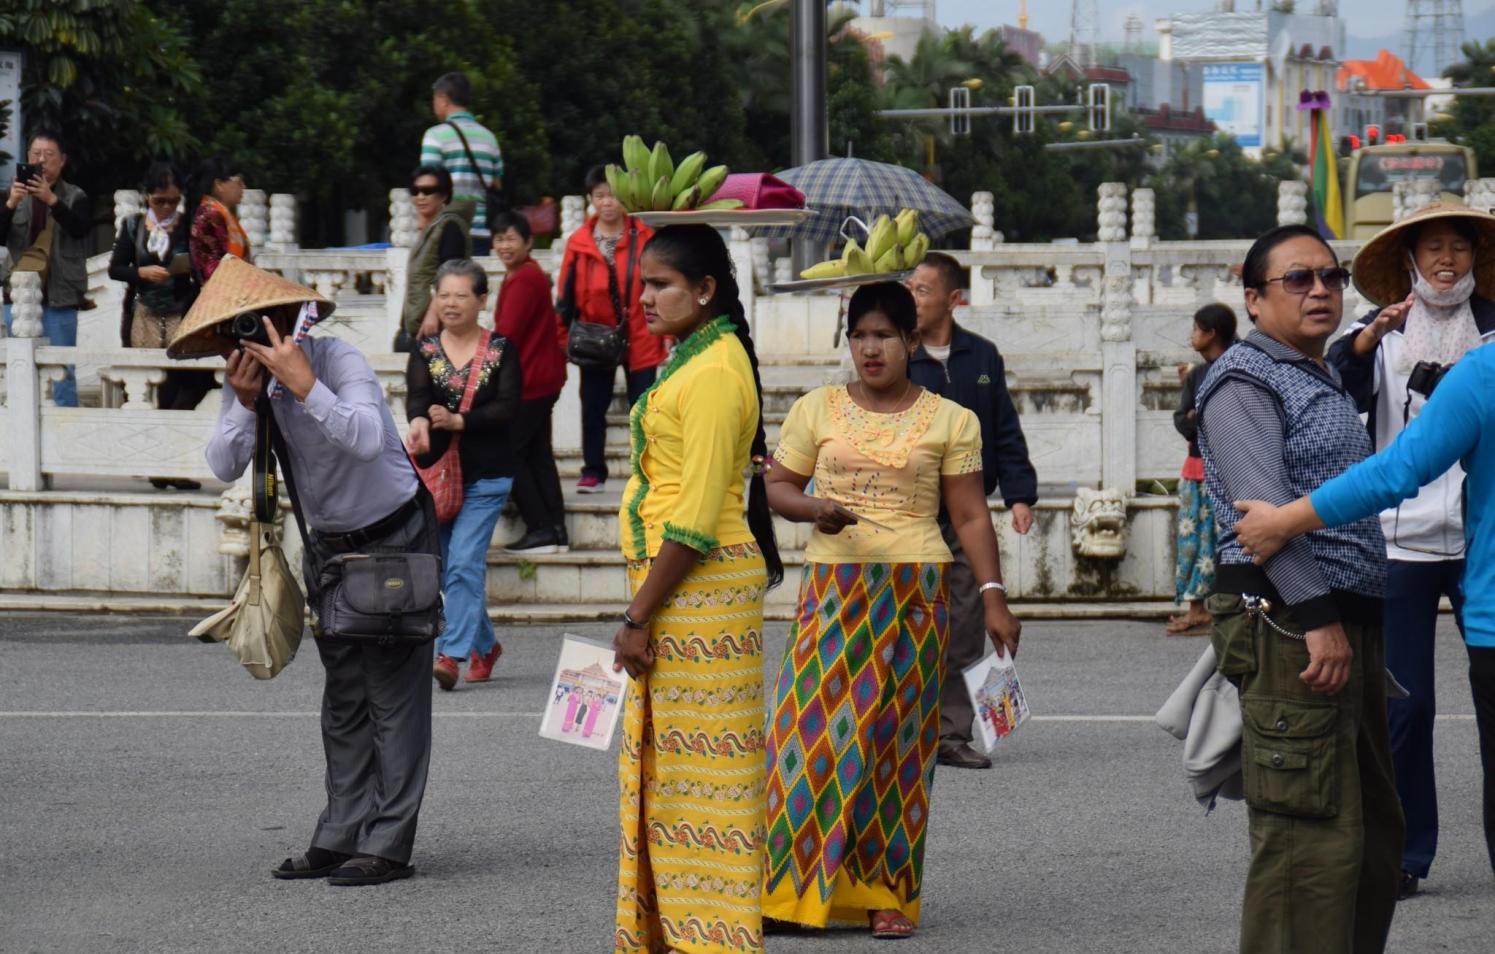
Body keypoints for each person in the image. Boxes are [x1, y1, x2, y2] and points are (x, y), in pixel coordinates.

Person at [1235, 205, 1495, 892]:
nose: (1447, 261)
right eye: (1433, 249)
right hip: (1400, 537)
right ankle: (1408, 851)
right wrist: (1362, 341)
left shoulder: (1488, 344)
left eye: (1458, 249)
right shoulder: (1375, 335)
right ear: (1408, 262)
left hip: (1472, 545)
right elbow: (1342, 413)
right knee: (1403, 705)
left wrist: (1286, 520)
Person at [762, 282, 1021, 940]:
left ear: (912, 340)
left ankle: (884, 894)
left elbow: (967, 513)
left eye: (884, 335)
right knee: (808, 735)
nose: (869, 349)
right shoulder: (815, 408)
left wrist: (993, 595)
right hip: (833, 591)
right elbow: (779, 488)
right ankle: (790, 892)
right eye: (859, 335)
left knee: (898, 746)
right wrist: (815, 507)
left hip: (916, 589)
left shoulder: (949, 419)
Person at [173, 255, 439, 887]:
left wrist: (302, 384)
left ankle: (389, 843)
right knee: (344, 696)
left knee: (394, 696)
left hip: (395, 534)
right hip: (331, 546)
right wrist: (243, 402)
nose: (253, 341)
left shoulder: (335, 361)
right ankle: (340, 832)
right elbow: (221, 463)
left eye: (262, 326)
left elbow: (370, 438)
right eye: (239, 331)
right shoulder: (251, 383)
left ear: (292, 320)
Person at [1194, 225, 1401, 954]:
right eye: (1296, 280)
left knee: (1373, 833)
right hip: (1291, 621)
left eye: (1329, 276)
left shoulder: (1314, 371)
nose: (1319, 290)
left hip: (1344, 618)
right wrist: (1317, 617)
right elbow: (1260, 520)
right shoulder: (1244, 381)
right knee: (1306, 842)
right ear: (1251, 300)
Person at [608, 225, 783, 954]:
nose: (643, 297)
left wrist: (638, 613)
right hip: (681, 592)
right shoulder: (699, 355)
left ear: (704, 290)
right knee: (668, 772)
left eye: (661, 284)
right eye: (642, 283)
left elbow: (699, 512)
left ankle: (713, 939)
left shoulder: (713, 371)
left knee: (697, 779)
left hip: (696, 592)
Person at [906, 251, 1037, 770]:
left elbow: (1004, 428)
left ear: (953, 299)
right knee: (906, 625)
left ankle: (950, 733)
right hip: (908, 509)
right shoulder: (897, 353)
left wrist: (1020, 493)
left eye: (922, 289)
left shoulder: (982, 356)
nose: (913, 296)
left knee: (964, 623)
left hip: (966, 510)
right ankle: (900, 733)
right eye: (909, 287)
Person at [405, 260, 521, 691]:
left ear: (481, 300)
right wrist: (419, 424)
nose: (451, 303)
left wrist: (460, 422)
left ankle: (451, 655)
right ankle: (486, 646)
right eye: (445, 295)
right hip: (440, 479)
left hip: (488, 477)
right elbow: (416, 399)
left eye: (461, 295)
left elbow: (509, 406)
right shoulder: (425, 350)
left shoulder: (502, 349)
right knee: (454, 569)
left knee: (465, 565)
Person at [108, 160, 216, 489]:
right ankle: (163, 464)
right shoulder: (132, 226)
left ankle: (166, 462)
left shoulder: (186, 227)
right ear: (147, 197)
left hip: (182, 311)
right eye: (160, 200)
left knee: (192, 383)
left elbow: (201, 267)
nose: (167, 207)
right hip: (145, 314)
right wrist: (140, 273)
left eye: (172, 200)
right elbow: (115, 269)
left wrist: (185, 268)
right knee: (158, 386)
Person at [557, 165, 665, 494]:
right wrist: (562, 339)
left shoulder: (645, 236)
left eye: (612, 194)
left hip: (642, 335)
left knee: (645, 410)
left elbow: (661, 284)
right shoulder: (579, 244)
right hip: (596, 337)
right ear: (591, 200)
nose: (607, 202)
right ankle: (593, 470)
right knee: (593, 406)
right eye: (599, 195)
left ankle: (648, 473)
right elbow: (566, 295)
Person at [490, 210, 569, 554]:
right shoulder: (526, 274)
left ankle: (540, 527)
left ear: (528, 242)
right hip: (542, 379)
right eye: (499, 239)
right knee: (538, 454)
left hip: (531, 381)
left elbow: (505, 336)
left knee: (507, 453)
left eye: (510, 238)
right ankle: (555, 530)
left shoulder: (524, 278)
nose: (504, 246)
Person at [2, 129, 93, 407]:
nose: (41, 160)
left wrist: (51, 200)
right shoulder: (12, 194)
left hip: (61, 297)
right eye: (35, 154)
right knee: (20, 372)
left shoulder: (75, 196)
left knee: (63, 372)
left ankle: (66, 442)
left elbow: (80, 229)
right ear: (27, 157)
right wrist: (10, 204)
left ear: (62, 160)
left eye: (49, 155)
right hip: (18, 298)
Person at [1168, 303, 1239, 635]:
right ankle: (1197, 607)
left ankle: (1214, 607)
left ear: (1211, 334)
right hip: (1195, 468)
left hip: (1224, 470)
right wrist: (1200, 417)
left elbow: (1220, 419)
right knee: (1191, 540)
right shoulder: (1197, 374)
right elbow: (1183, 420)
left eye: (1196, 329)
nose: (1191, 336)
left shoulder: (1236, 367)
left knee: (1217, 540)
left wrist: (1200, 417)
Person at [419, 71, 502, 243]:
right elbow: (496, 185)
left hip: (447, 229)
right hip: (482, 231)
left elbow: (428, 186)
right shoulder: (489, 138)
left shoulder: (434, 136)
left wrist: (424, 224)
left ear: (443, 99)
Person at [398, 164, 471, 349]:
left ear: (444, 195)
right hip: (419, 328)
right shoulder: (432, 228)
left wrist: (433, 314)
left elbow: (451, 275)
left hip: (438, 329)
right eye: (415, 191)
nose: (420, 197)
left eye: (428, 191)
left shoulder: (450, 227)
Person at [188, 157, 249, 281]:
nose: (244, 187)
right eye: (239, 182)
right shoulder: (211, 215)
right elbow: (216, 265)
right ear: (219, 185)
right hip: (221, 290)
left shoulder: (216, 212)